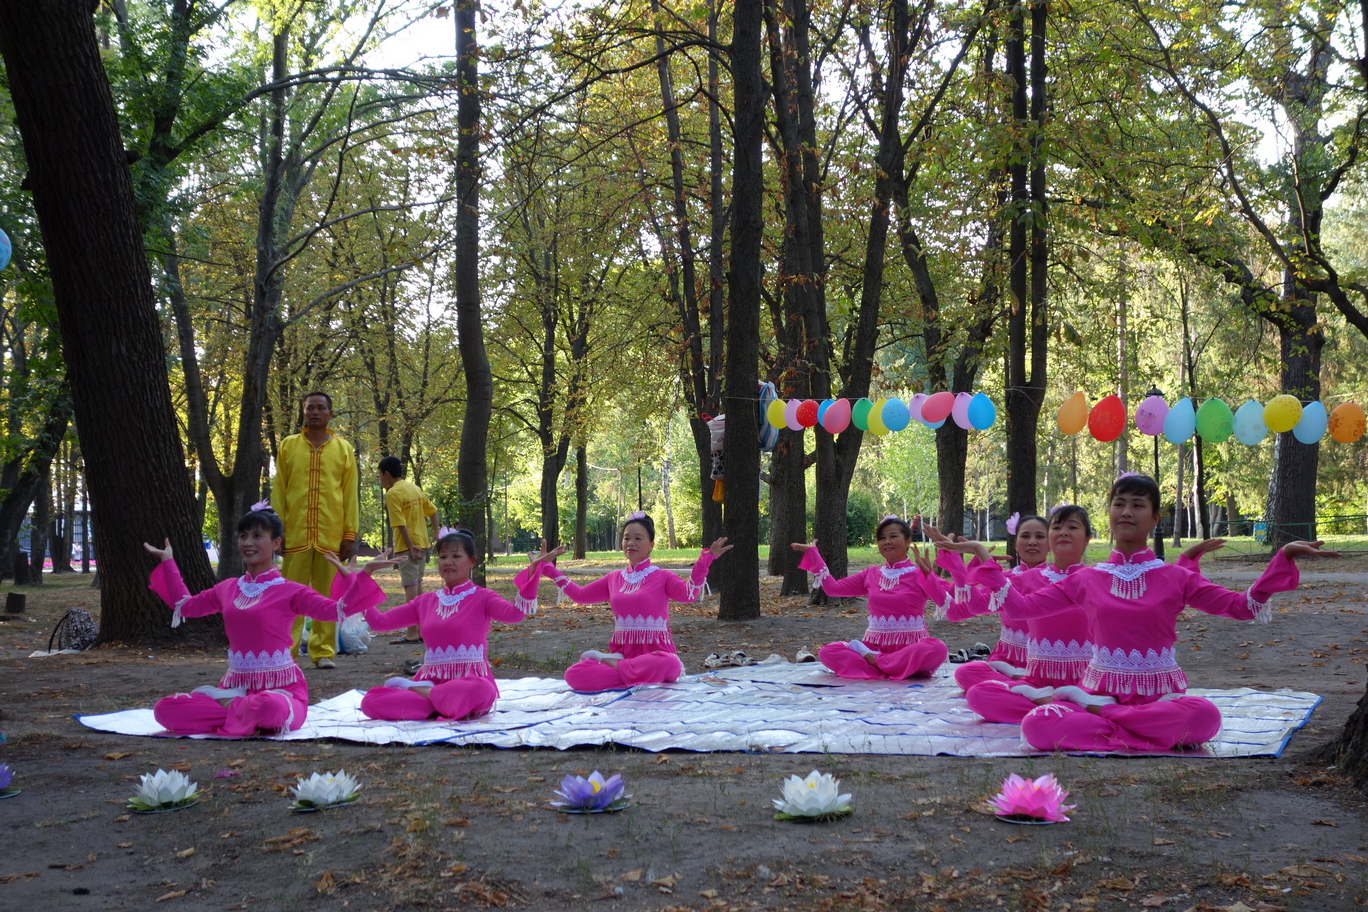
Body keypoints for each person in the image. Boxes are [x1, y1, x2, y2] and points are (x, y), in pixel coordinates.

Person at [939, 473, 1337, 752]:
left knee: (1204, 716)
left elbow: (1241, 607)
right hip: (1098, 692)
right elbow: (1021, 608)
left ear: (1155, 518)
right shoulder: (1087, 578)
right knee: (1038, 724)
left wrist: (1282, 559)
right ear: (1110, 514)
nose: (1126, 512)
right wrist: (982, 557)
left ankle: (1108, 721)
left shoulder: (1175, 577)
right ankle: (1134, 728)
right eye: (1119, 504)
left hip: (1155, 700)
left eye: (1137, 505)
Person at [142, 505, 394, 737]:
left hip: (282, 691)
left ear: (276, 543)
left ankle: (229, 706)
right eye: (243, 536)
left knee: (270, 707)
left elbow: (337, 611)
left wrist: (361, 575)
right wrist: (168, 561)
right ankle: (238, 707)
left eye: (257, 536)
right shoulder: (227, 588)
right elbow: (185, 606)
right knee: (165, 709)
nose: (248, 543)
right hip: (236, 687)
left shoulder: (291, 590)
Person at [357, 531, 558, 721]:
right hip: (432, 680)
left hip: (469, 684)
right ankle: (441, 702)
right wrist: (365, 574)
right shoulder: (425, 601)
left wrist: (534, 572)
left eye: (456, 556)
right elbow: (379, 623)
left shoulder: (483, 597)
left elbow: (515, 614)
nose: (448, 562)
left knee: (481, 689)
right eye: (442, 557)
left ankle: (426, 696)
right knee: (370, 702)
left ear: (472, 561)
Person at [541, 512, 731, 692]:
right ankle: (633, 673)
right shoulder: (613, 578)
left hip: (656, 658)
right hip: (624, 656)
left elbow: (689, 595)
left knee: (670, 663)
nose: (631, 543)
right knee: (574, 674)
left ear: (651, 545)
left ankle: (612, 664)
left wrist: (704, 562)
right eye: (626, 538)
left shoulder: (662, 576)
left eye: (638, 538)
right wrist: (549, 569)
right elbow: (580, 595)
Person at [790, 516, 949, 680]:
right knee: (828, 652)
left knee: (938, 648)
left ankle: (877, 663)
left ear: (908, 540)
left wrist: (933, 573)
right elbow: (833, 589)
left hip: (910, 649)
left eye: (893, 536)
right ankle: (894, 669)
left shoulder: (920, 573)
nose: (887, 542)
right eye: (882, 538)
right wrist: (814, 555)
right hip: (874, 647)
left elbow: (949, 597)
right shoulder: (871, 574)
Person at [272, 391, 358, 669]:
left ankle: (323, 653)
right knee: (289, 596)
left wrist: (349, 534)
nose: (315, 412)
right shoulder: (288, 446)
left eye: (321, 408)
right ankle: (286, 654)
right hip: (294, 534)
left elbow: (350, 494)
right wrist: (277, 529)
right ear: (303, 412)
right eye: (310, 408)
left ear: (330, 413)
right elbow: (280, 490)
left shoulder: (343, 449)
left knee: (327, 597)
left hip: (330, 536)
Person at [378, 455, 440, 645]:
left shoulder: (392, 493)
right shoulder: (414, 488)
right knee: (417, 586)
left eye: (379, 475)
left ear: (386, 474)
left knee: (410, 587)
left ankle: (412, 632)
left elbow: (400, 523)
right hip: (422, 542)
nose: (380, 480)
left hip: (408, 546)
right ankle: (421, 630)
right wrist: (436, 534)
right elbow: (433, 511)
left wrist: (410, 546)